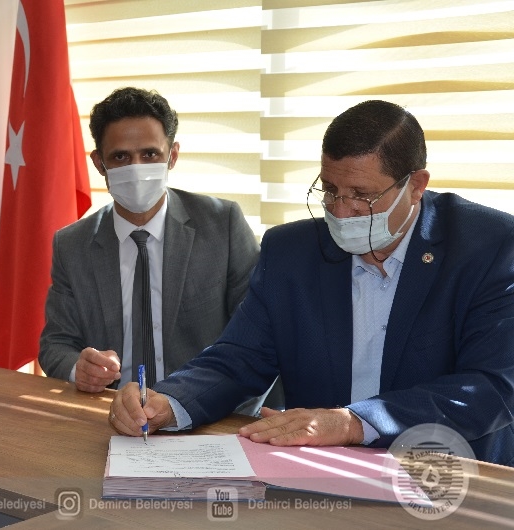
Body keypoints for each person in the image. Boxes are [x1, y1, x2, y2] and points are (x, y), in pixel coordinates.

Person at [109, 99, 514, 466]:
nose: (342, 211)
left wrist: (354, 422)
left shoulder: (488, 247)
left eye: (362, 195)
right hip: (317, 474)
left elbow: (492, 386)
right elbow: (240, 357)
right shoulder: (291, 252)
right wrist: (169, 401)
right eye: (330, 190)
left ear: (416, 186)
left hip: (446, 474)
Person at [38, 87, 261, 396]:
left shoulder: (222, 226)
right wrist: (80, 369)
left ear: (172, 156)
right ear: (99, 163)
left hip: (202, 409)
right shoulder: (72, 245)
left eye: (150, 154)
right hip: (110, 409)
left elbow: (258, 337)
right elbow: (56, 343)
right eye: (120, 157)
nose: (137, 168)